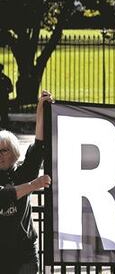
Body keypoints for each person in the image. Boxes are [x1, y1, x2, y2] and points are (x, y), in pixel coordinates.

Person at [1, 91, 53, 273]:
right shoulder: (28, 181)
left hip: (24, 255)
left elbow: (38, 146)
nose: (0, 155)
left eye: (4, 150)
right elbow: (3, 196)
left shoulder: (22, 173)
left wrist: (41, 109)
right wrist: (33, 185)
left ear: (14, 152)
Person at [0, 64, 12, 129]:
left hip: (4, 99)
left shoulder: (6, 79)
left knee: (4, 114)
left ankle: (4, 127)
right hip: (4, 99)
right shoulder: (6, 78)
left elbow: (11, 89)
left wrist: (5, 91)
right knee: (4, 114)